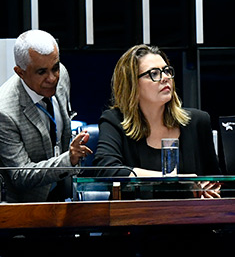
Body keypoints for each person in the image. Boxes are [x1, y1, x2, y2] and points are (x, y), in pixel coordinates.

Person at [93, 44, 221, 197]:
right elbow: (105, 169)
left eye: (167, 71)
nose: (165, 77)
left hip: (190, 217)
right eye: (154, 73)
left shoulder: (197, 122)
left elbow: (216, 180)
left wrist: (211, 189)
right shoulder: (114, 121)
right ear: (132, 84)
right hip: (135, 216)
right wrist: (171, 179)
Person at [0, 30, 92, 202]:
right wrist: (68, 159)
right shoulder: (2, 112)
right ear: (20, 72)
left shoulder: (61, 74)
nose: (52, 78)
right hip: (17, 204)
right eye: (41, 72)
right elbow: (21, 176)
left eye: (55, 68)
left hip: (57, 191)